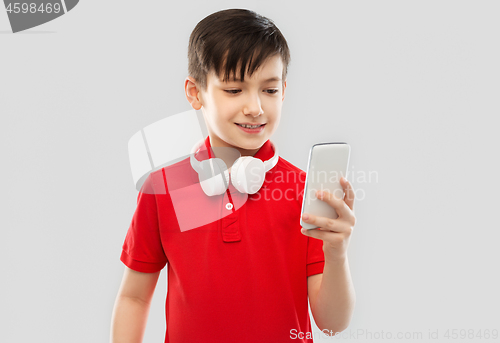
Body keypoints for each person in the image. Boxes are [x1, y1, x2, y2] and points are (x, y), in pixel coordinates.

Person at [110, 8, 356, 343]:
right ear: (196, 93)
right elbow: (133, 297)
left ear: (283, 90)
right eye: (234, 90)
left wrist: (337, 251)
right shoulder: (162, 189)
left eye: (269, 90)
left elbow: (332, 324)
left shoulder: (303, 190)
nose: (255, 107)